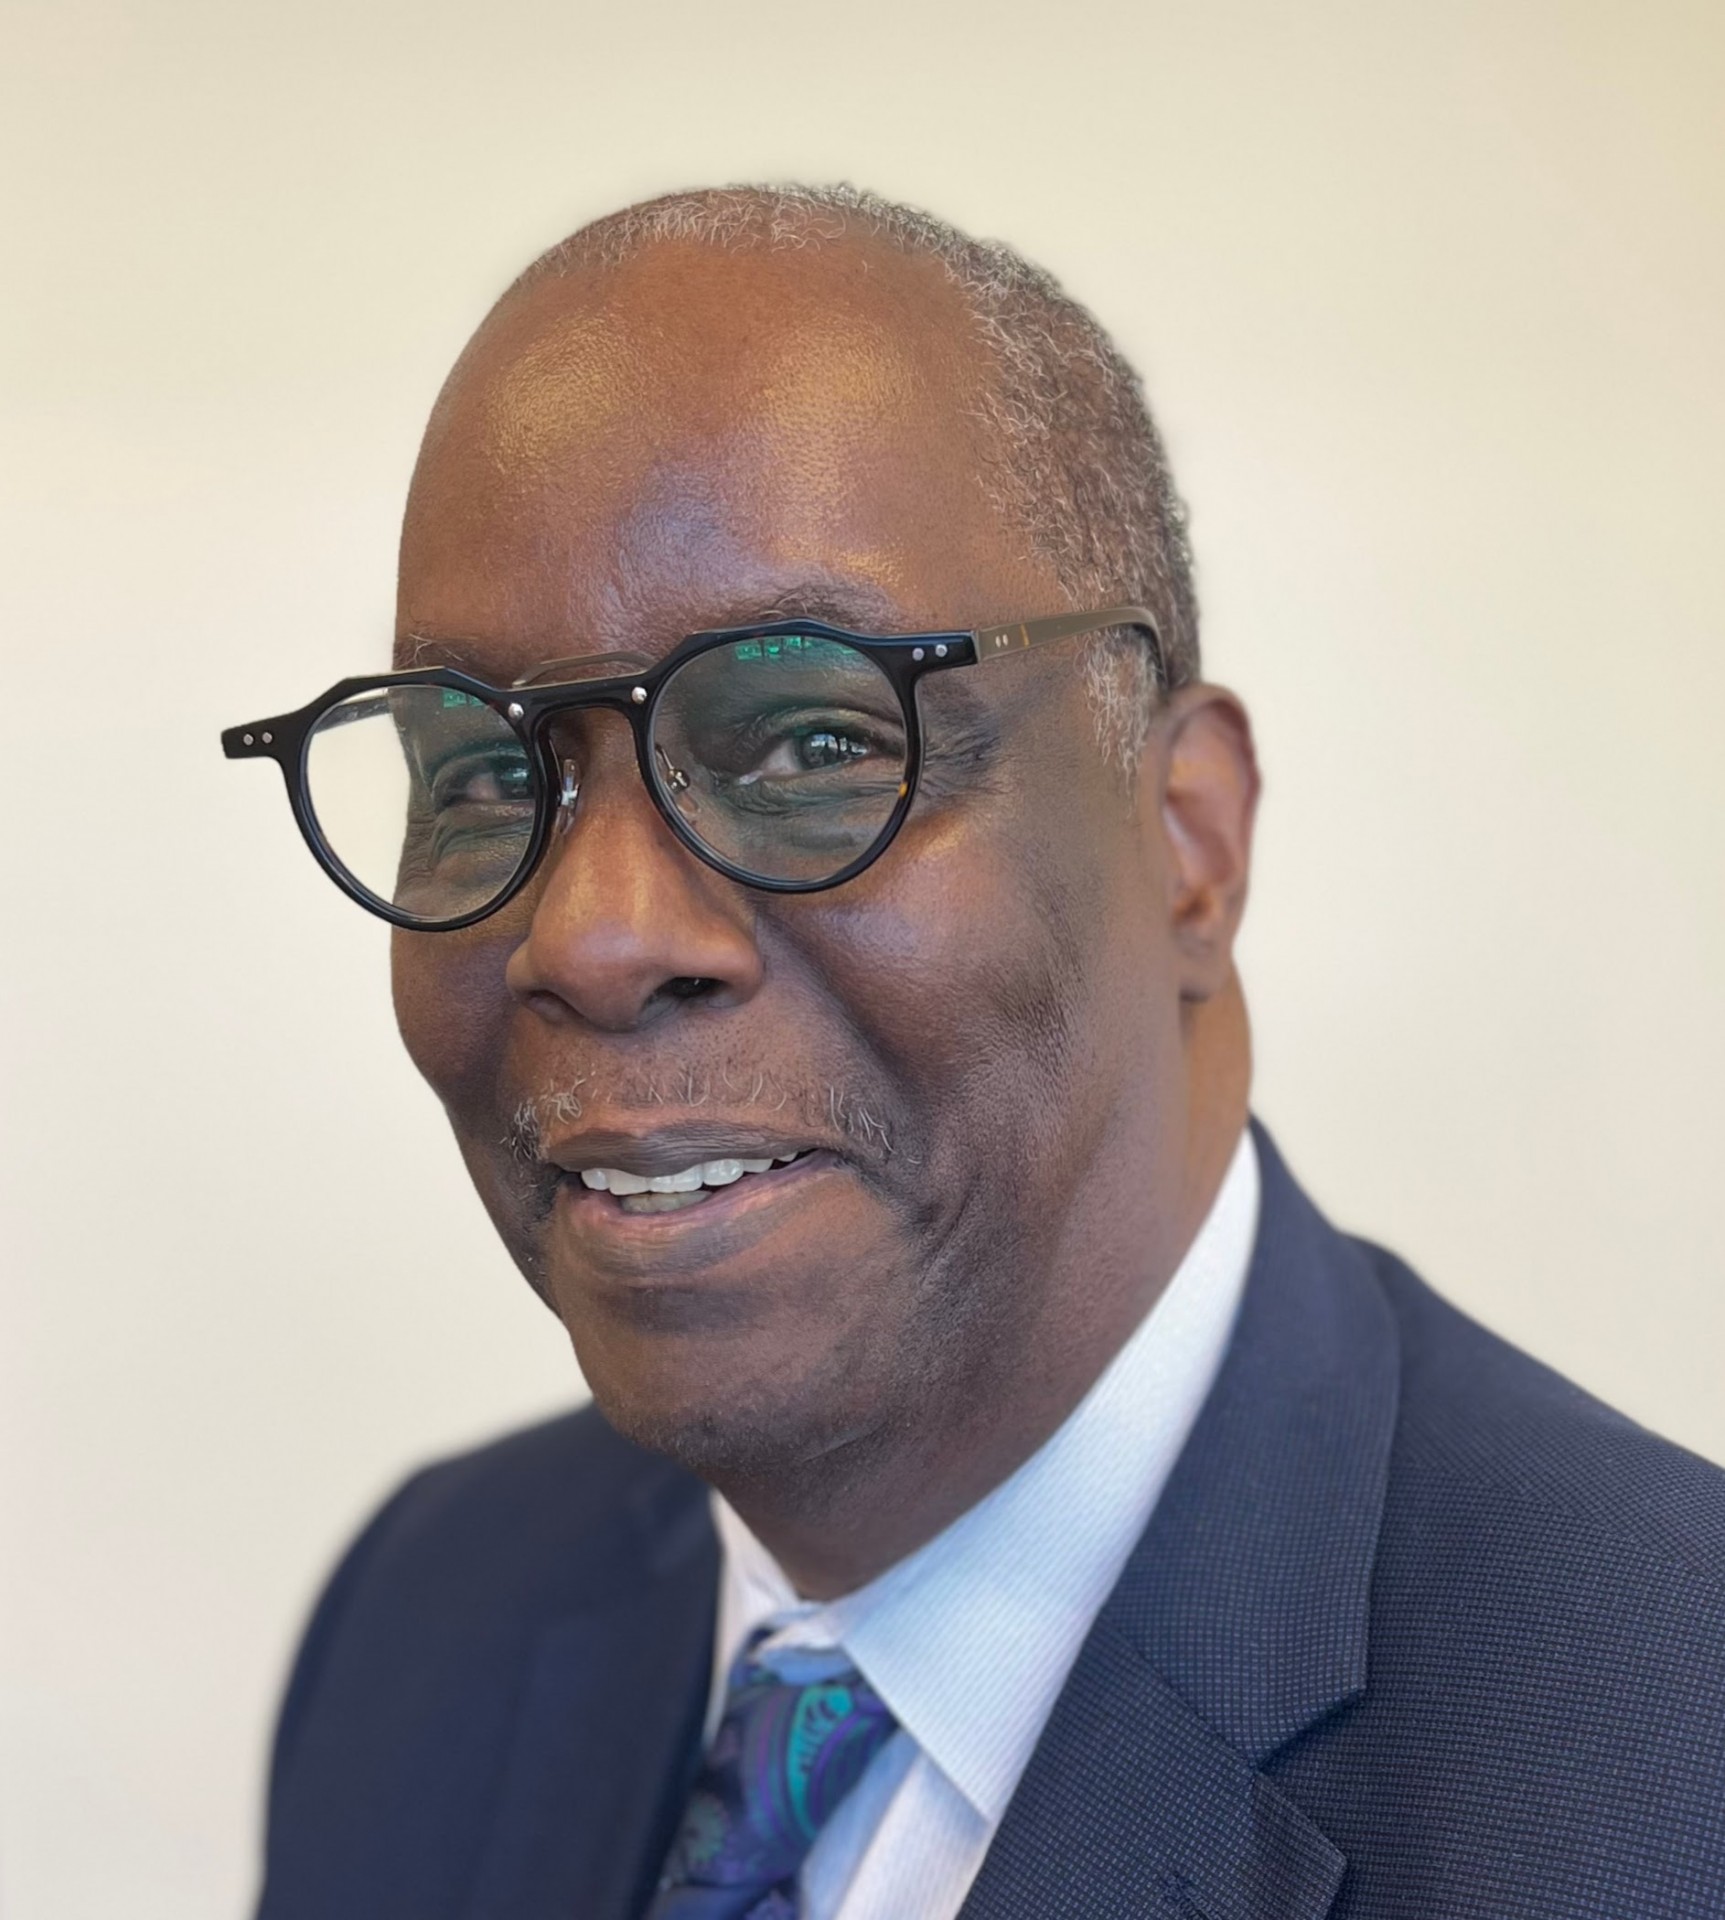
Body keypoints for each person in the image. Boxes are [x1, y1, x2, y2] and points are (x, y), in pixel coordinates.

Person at [226, 186, 1725, 1919]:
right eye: (486, 775)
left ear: (1187, 837)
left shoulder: (1668, 1773)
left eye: (810, 742)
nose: (596, 937)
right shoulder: (428, 1622)